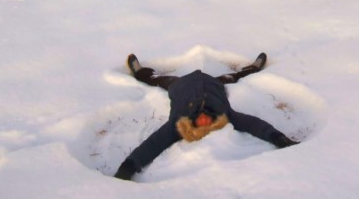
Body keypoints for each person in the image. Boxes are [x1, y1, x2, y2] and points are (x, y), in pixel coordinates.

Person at [114, 52, 298, 181]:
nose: (203, 120)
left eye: (199, 124)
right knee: (234, 76)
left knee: (154, 79)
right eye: (206, 124)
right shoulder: (225, 115)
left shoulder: (177, 124)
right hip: (215, 83)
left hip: (179, 85)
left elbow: (153, 144)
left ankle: (139, 71)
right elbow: (253, 124)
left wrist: (128, 166)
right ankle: (253, 67)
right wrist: (279, 138)